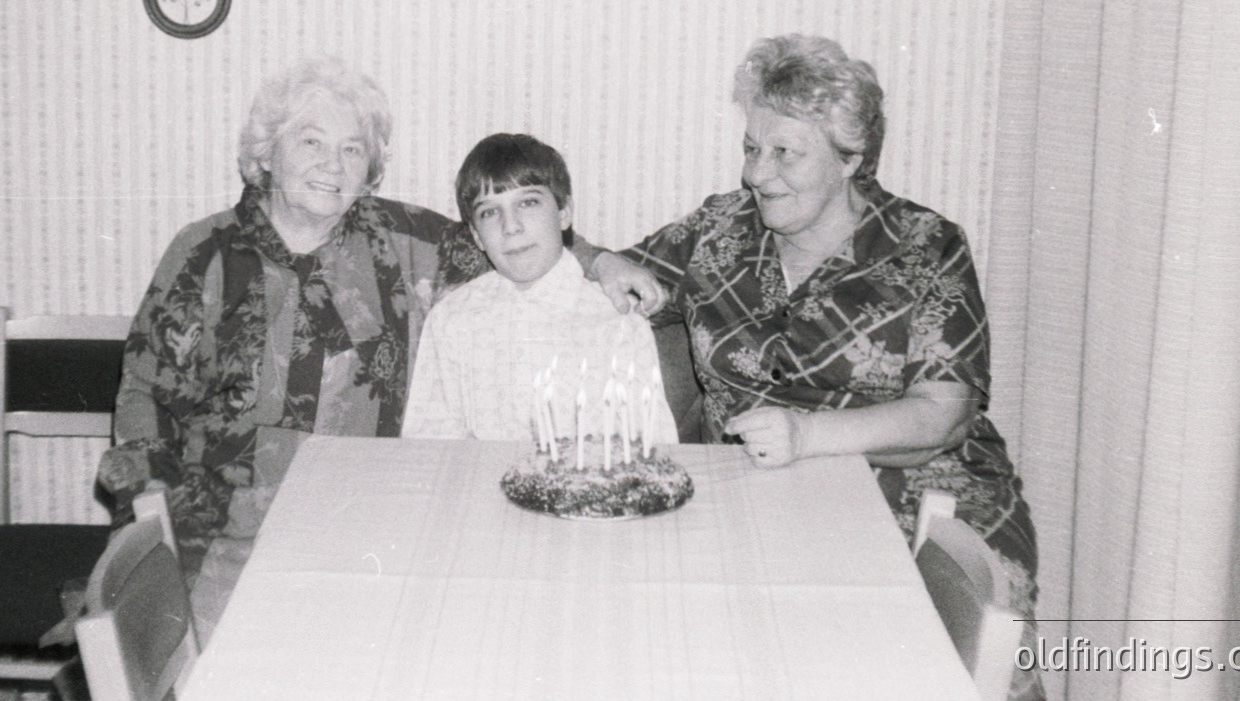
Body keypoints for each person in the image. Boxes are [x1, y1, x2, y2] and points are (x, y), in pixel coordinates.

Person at [96, 57, 664, 641]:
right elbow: (146, 401)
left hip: (368, 530)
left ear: (369, 167)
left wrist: (600, 261)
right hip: (226, 537)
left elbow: (519, 244)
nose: (331, 165)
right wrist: (151, 537)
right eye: (311, 141)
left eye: (351, 149)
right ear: (267, 153)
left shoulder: (403, 240)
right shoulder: (204, 252)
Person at [597, 34, 1042, 700]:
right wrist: (606, 264)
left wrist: (807, 435)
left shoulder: (925, 246)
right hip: (759, 500)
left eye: (784, 153)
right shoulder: (721, 228)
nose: (756, 173)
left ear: (850, 159)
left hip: (921, 496)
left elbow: (943, 412)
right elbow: (581, 256)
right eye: (751, 147)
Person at [402, 133, 678, 445]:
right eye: (489, 212)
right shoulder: (452, 319)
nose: (511, 226)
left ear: (564, 213)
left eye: (528, 202)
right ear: (477, 237)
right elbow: (427, 443)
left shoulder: (617, 321)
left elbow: (653, 446)